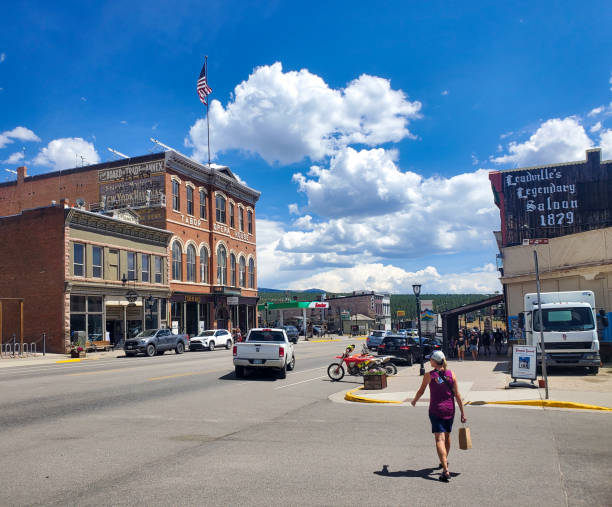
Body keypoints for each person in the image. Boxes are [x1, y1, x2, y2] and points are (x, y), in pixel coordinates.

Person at [411, 350, 467, 482]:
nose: (429, 361)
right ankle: (444, 461)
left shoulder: (429, 375)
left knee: (439, 439)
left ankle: (445, 470)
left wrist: (414, 400)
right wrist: (463, 413)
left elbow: (421, 391)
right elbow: (457, 395)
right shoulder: (451, 374)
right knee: (447, 436)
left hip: (436, 410)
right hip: (450, 409)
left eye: (430, 359)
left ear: (435, 361)